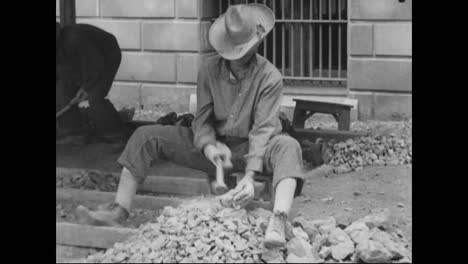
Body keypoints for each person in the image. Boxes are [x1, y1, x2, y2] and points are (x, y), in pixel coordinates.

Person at [76, 4, 306, 247]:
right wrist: (209, 148)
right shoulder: (209, 70)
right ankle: (118, 210)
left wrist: (250, 175)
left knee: (288, 146)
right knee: (145, 136)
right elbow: (202, 120)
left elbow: (263, 130)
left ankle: (278, 220)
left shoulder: (270, 78)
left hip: (252, 150)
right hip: (215, 148)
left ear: (257, 42)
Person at [56, 22, 124, 144]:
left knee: (95, 96)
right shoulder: (61, 49)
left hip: (107, 55)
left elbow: (96, 64)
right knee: (61, 90)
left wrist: (86, 87)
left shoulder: (74, 38)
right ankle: (74, 131)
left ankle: (115, 134)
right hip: (83, 61)